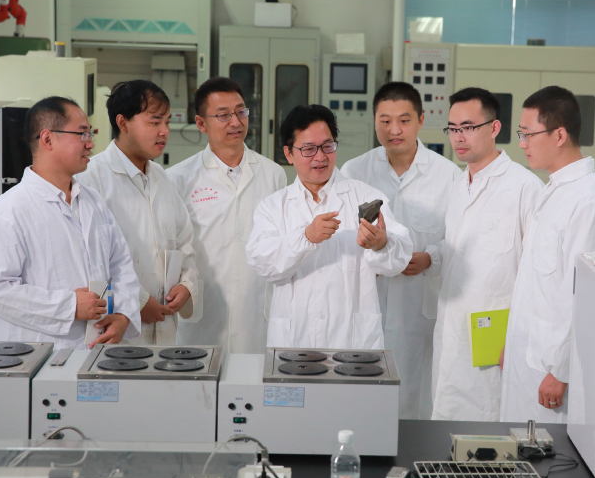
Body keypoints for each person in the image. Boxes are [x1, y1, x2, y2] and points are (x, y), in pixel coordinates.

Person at [0, 96, 141, 349]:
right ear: (48, 139)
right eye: (82, 134)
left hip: (96, 351)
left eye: (90, 133)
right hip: (36, 356)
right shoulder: (5, 213)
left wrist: (123, 314)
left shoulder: (93, 202)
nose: (91, 143)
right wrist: (70, 306)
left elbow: (120, 265)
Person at [500, 86, 595, 423]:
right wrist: (512, 342)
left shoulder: (590, 201)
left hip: (553, 372)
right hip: (528, 356)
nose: (522, 144)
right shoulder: (553, 190)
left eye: (527, 134)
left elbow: (584, 296)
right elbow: (536, 284)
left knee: (548, 452)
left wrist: (561, 370)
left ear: (559, 135)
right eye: (520, 134)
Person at [245, 104, 413, 349]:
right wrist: (306, 237)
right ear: (289, 154)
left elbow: (400, 257)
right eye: (308, 149)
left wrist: (382, 244)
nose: (320, 157)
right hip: (294, 340)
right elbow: (263, 264)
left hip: (352, 341)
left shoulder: (366, 197)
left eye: (327, 146)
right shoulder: (273, 207)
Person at [341, 82, 459, 420]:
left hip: (418, 303)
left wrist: (430, 257)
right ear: (374, 121)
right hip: (369, 301)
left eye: (404, 121)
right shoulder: (354, 172)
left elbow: (460, 238)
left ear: (421, 120)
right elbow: (343, 238)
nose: (394, 130)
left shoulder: (448, 176)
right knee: (365, 395)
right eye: (385, 121)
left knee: (416, 392)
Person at [425, 88, 542, 421]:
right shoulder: (458, 185)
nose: (458, 137)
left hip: (497, 338)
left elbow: (536, 274)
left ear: (494, 128)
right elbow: (458, 249)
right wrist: (427, 258)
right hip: (452, 331)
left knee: (488, 428)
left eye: (468, 127)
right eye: (452, 129)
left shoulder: (525, 187)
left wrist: (522, 339)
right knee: (445, 423)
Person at [76, 80, 200, 345]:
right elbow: (92, 260)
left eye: (167, 122)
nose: (164, 131)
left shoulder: (162, 178)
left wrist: (187, 285)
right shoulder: (91, 180)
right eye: (154, 122)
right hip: (118, 328)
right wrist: (138, 301)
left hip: (164, 324)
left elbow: (183, 241)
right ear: (123, 123)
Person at [168, 77, 286, 353]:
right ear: (201, 123)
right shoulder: (178, 178)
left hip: (255, 310)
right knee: (198, 375)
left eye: (241, 111)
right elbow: (173, 246)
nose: (236, 122)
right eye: (223, 115)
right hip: (203, 308)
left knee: (252, 375)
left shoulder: (273, 174)